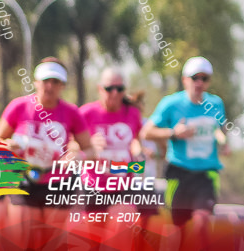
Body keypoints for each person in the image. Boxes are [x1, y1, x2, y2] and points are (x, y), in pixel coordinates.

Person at [0, 57, 92, 245]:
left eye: (55, 82)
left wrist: (75, 157)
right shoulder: (18, 106)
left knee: (50, 242)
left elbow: (89, 149)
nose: (50, 86)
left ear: (62, 85)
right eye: (45, 81)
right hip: (22, 179)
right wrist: (8, 146)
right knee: (22, 240)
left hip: (58, 183)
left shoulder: (71, 113)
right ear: (35, 82)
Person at [139, 56, 228, 248]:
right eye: (195, 77)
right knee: (175, 231)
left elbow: (221, 128)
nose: (199, 83)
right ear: (185, 79)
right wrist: (173, 133)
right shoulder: (171, 104)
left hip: (206, 174)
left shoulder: (216, 104)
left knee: (202, 222)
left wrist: (224, 141)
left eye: (204, 79)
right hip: (178, 173)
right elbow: (146, 132)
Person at [79, 68, 144, 208]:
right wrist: (88, 145)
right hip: (93, 186)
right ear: (100, 89)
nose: (115, 93)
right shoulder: (86, 113)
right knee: (95, 230)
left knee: (122, 222)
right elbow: (69, 146)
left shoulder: (133, 113)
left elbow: (136, 140)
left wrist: (139, 155)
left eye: (119, 89)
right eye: (109, 88)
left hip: (124, 185)